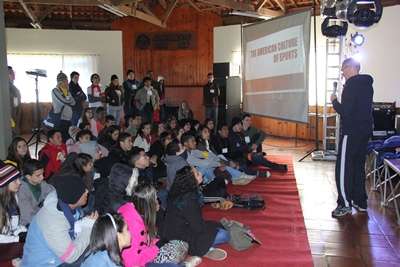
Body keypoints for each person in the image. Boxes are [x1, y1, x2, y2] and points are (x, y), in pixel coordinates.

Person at [330, 58, 374, 218]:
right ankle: (360, 201)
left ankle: (344, 204)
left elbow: (346, 111)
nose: (342, 73)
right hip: (364, 133)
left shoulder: (352, 85)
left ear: (351, 68)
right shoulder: (367, 85)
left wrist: (334, 101)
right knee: (357, 166)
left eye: (344, 69)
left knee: (343, 168)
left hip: (351, 132)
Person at [21, 175, 98, 266]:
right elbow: (70, 256)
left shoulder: (63, 204)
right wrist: (87, 229)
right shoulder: (53, 223)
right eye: (83, 191)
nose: (87, 191)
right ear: (74, 197)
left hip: (55, 256)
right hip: (47, 263)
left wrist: (84, 223)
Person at [162, 166, 229, 261]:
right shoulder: (189, 199)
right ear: (191, 180)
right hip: (180, 238)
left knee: (218, 226)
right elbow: (198, 227)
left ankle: (202, 247)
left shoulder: (180, 191)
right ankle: (200, 250)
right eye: (197, 173)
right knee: (224, 235)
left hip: (176, 231)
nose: (200, 174)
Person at [0, 163, 26, 264]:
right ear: (5, 184)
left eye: (19, 179)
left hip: (9, 242)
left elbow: (13, 226)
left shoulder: (13, 197)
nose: (19, 182)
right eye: (15, 180)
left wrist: (22, 230)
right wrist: (16, 238)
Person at [18, 159, 54, 226]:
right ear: (28, 177)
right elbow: (28, 217)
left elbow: (54, 195)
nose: (42, 177)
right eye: (38, 175)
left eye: (43, 174)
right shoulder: (21, 190)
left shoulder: (42, 184)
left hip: (43, 219)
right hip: (28, 225)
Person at [51, 71, 76, 141]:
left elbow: (74, 103)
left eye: (67, 80)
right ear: (60, 82)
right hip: (60, 119)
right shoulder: (55, 91)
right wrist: (69, 100)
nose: (67, 82)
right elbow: (64, 101)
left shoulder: (67, 91)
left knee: (67, 139)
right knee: (60, 139)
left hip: (68, 119)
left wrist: (68, 97)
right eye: (65, 81)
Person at [8, 66, 21, 135]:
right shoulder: (6, 87)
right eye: (10, 73)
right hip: (10, 117)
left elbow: (16, 103)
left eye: (13, 72)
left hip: (15, 115)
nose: (13, 74)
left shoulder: (13, 87)